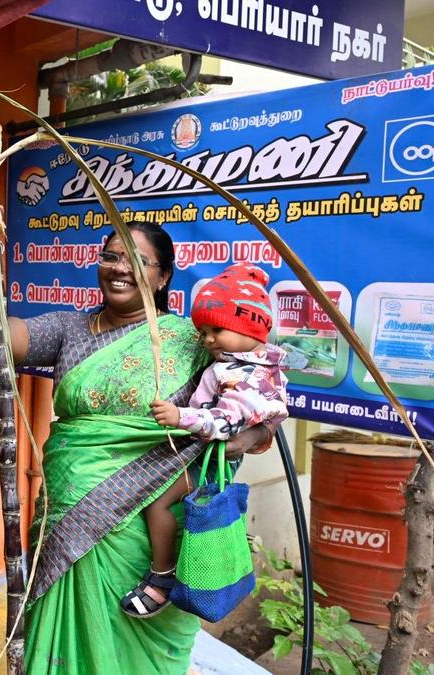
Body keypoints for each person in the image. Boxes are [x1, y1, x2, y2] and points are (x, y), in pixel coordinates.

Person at [0, 201, 273, 674]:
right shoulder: (70, 329)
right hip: (68, 513)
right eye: (110, 256)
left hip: (152, 535)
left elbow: (262, 395)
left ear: (163, 277)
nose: (119, 268)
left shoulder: (195, 341)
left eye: (137, 260)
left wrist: (250, 435)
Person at [124, 262, 291, 618]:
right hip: (206, 455)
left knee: (158, 505)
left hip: (207, 459)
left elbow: (225, 422)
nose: (208, 339)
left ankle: (162, 578)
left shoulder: (243, 375)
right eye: (203, 332)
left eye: (218, 329)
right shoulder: (255, 365)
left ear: (251, 326)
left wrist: (179, 416)